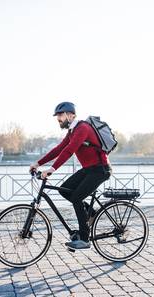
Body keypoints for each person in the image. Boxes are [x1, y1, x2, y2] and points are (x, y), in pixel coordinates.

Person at [29, 101, 112, 250]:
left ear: (71, 115)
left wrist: (52, 169)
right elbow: (59, 149)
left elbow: (69, 151)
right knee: (64, 189)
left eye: (60, 115)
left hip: (100, 170)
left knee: (76, 198)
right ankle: (91, 213)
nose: (58, 119)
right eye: (57, 116)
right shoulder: (72, 131)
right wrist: (38, 163)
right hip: (89, 169)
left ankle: (84, 239)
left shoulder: (82, 128)